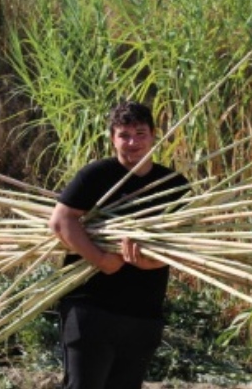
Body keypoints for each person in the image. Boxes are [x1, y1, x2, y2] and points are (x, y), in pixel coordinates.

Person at [48, 100, 190, 389]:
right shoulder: (96, 175)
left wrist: (151, 262)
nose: (133, 142)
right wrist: (101, 259)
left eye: (140, 133)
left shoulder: (174, 185)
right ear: (112, 138)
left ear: (153, 135)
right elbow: (62, 221)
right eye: (124, 135)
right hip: (91, 309)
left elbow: (184, 245)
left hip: (143, 311)